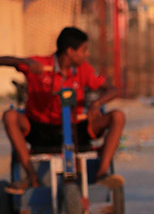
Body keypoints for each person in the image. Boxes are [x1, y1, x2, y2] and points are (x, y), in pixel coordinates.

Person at [1, 27, 126, 195]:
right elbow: (3, 60)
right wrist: (25, 62)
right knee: (10, 116)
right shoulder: (40, 64)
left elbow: (113, 90)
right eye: (84, 50)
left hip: (75, 128)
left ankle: (101, 173)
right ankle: (31, 176)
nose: (87, 55)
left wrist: (96, 103)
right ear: (70, 51)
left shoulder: (84, 70)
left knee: (118, 116)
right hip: (39, 129)